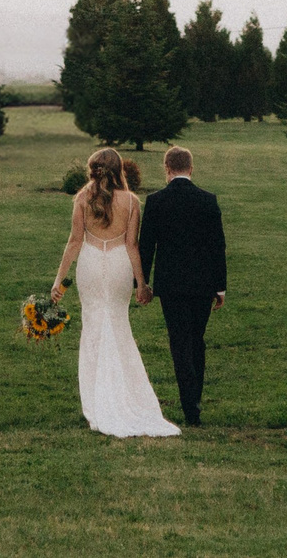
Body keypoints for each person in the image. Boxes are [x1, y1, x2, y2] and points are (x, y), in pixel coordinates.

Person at [50, 146, 181, 437]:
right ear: (119, 168)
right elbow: (133, 246)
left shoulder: (83, 198)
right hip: (120, 265)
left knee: (94, 328)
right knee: (119, 325)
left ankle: (97, 403)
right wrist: (142, 284)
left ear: (94, 170)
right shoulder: (132, 201)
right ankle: (124, 397)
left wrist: (58, 280)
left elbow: (74, 241)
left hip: (91, 265)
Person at [137, 144, 226, 427]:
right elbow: (217, 247)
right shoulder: (208, 200)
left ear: (166, 169)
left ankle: (190, 405)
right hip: (203, 285)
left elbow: (146, 247)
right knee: (196, 341)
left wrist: (142, 283)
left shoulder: (156, 201)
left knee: (180, 342)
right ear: (191, 168)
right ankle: (194, 402)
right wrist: (220, 287)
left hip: (171, 285)